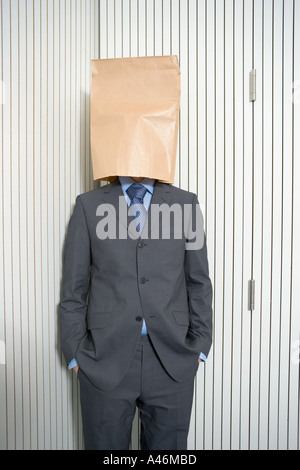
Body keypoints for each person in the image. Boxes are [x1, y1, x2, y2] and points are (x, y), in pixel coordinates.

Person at [59, 174, 213, 450]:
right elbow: (74, 287)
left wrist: (199, 347)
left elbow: (199, 282)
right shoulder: (88, 205)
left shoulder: (186, 204)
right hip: (103, 359)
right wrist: (75, 354)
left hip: (172, 359)